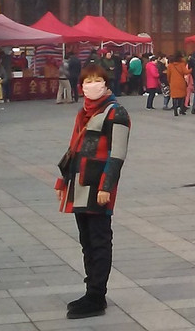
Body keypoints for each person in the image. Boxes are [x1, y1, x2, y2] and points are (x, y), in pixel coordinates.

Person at [55, 63, 131, 320]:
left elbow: (117, 154)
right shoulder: (83, 113)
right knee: (86, 240)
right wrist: (62, 183)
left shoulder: (116, 113)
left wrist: (106, 187)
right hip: (78, 184)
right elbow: (73, 150)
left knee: (99, 240)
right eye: (88, 81)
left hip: (98, 187)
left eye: (97, 80)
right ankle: (90, 291)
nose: (92, 85)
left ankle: (97, 295)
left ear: (106, 84)